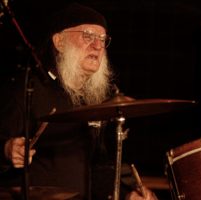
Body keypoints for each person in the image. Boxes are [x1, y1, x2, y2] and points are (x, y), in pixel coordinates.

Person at [0, 2, 158, 200]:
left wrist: (127, 194)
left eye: (102, 39)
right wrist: (6, 150)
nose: (98, 46)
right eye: (88, 36)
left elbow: (98, 167)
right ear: (59, 42)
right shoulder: (27, 89)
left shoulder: (96, 99)